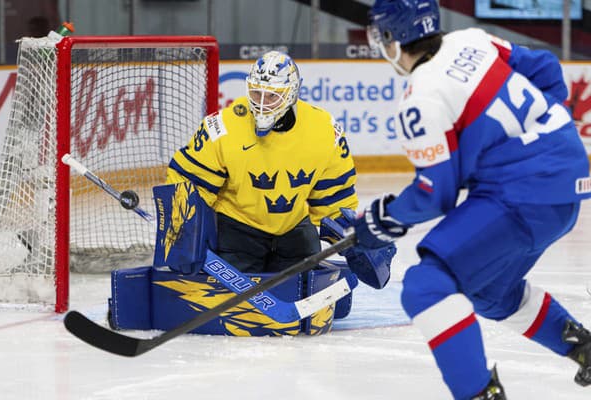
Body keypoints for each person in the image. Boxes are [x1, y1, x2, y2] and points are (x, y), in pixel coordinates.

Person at [347, 1, 591, 399]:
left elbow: (434, 195)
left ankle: (478, 394)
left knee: (426, 286)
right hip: (568, 174)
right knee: (489, 290)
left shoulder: (420, 98)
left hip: (522, 192)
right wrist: (542, 136)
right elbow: (547, 68)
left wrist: (379, 221)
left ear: (391, 37)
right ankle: (582, 345)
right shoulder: (473, 40)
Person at [163, 50, 392, 288]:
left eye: (272, 96)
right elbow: (189, 180)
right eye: (256, 93)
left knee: (303, 287)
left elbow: (334, 198)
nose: (261, 103)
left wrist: (355, 237)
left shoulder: (324, 130)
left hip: (294, 230)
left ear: (292, 93)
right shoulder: (222, 127)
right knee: (228, 297)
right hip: (237, 231)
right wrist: (184, 230)